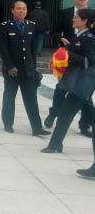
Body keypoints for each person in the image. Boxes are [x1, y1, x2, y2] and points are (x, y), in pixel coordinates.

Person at [41, 9, 95, 154]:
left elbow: (89, 61)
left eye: (76, 17)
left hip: (82, 83)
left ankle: (54, 145)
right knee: (85, 114)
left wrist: (67, 53)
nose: (73, 19)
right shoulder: (77, 36)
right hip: (75, 82)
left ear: (84, 21)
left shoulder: (90, 38)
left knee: (65, 114)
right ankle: (55, 145)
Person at [44, 0, 92, 138]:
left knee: (85, 96)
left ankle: (84, 125)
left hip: (84, 60)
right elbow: (54, 31)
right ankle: (54, 113)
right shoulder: (66, 13)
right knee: (61, 88)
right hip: (67, 59)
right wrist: (61, 38)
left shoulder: (92, 15)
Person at [0, 1, 49, 136]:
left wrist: (33, 68)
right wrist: (10, 66)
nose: (21, 11)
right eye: (19, 8)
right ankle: (8, 123)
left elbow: (33, 50)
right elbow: (3, 49)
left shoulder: (31, 26)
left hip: (27, 69)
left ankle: (37, 128)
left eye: (24, 9)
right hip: (12, 70)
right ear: (12, 11)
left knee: (31, 98)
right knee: (9, 96)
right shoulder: (5, 26)